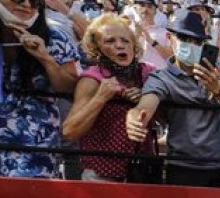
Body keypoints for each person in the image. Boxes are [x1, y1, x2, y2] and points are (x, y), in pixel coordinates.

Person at [0, 0, 79, 178]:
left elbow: (70, 89)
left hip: (32, 146)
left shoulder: (54, 37)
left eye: (34, 0)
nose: (26, 4)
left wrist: (45, 59)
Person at [125, 11, 220, 188]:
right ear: (170, 37)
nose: (191, 45)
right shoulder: (161, 78)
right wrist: (134, 118)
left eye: (198, 42)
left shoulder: (215, 66)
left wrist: (216, 89)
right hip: (184, 166)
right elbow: (145, 105)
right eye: (185, 38)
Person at [63, 14, 158, 182]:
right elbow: (70, 131)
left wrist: (145, 99)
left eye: (125, 40)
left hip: (142, 171)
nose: (119, 45)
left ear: (134, 45)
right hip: (102, 174)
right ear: (96, 48)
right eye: (110, 41)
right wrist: (100, 98)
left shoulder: (149, 74)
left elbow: (167, 117)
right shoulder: (92, 79)